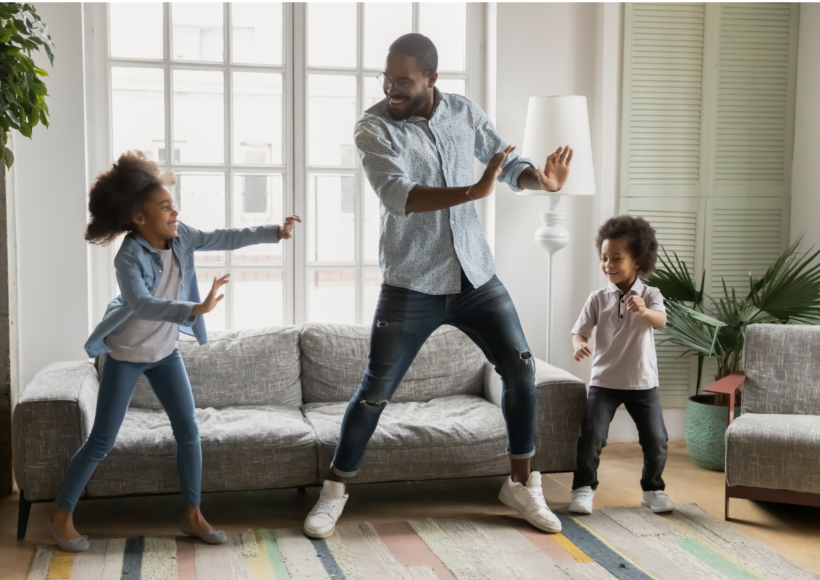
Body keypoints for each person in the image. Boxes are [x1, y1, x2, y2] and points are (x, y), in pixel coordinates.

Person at [303, 33, 573, 539]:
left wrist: (543, 182)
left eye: (403, 80)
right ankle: (335, 491)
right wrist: (474, 190)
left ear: (431, 78)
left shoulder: (463, 112)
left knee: (521, 370)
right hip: (412, 282)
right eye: (386, 78)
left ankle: (520, 484)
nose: (391, 89)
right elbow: (398, 196)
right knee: (373, 392)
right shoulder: (372, 128)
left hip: (475, 275)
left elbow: (507, 164)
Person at [49, 151, 301, 552]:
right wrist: (195, 309)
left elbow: (225, 236)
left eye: (173, 204)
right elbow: (144, 304)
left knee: (188, 431)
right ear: (139, 219)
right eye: (165, 207)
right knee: (102, 439)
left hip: (165, 352)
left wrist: (275, 232)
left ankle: (192, 513)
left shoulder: (182, 236)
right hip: (126, 355)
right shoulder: (129, 256)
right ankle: (61, 514)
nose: (175, 211)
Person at [568, 216, 675, 515]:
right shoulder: (598, 298)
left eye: (617, 258)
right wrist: (579, 345)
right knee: (591, 438)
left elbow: (662, 320)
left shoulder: (650, 294)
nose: (608, 264)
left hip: (643, 382)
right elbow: (579, 331)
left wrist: (643, 310)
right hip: (604, 382)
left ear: (638, 261)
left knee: (656, 440)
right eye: (604, 258)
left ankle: (653, 490)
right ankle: (583, 489)